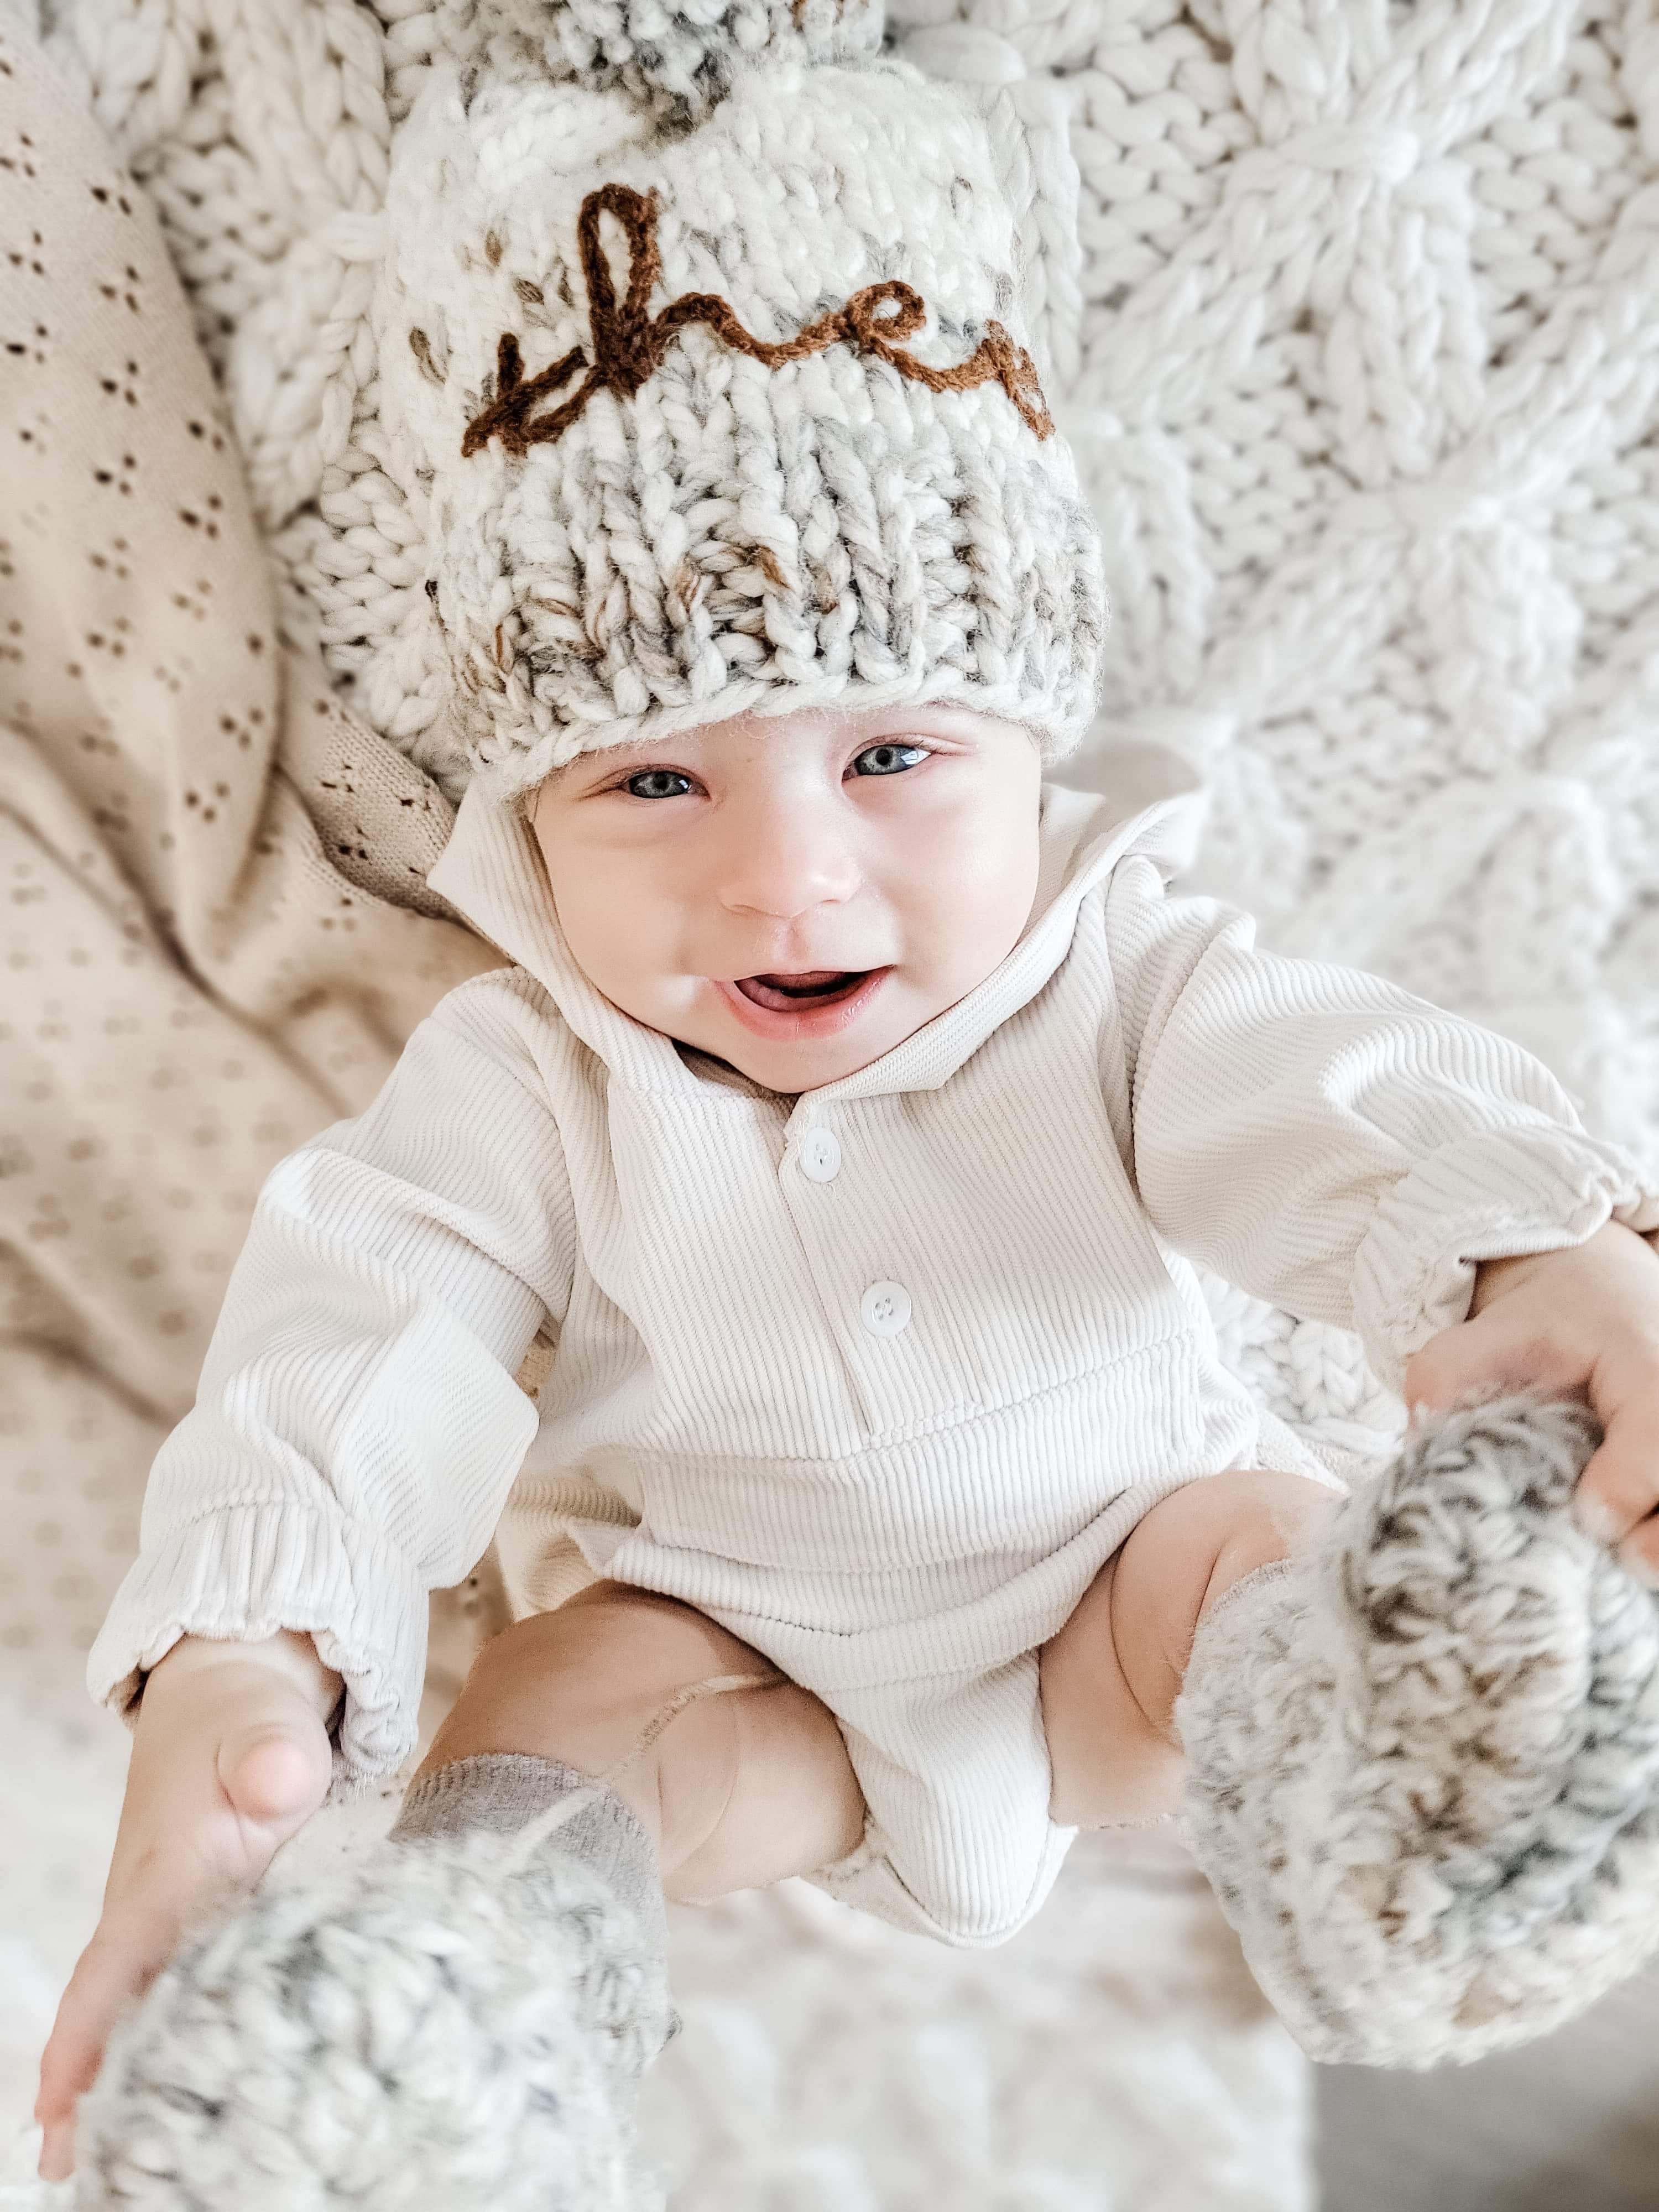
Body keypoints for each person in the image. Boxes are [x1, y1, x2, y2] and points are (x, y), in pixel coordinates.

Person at [35, 0, 1659, 2197]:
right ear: (529, 804)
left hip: (1118, 1596)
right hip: (733, 1655)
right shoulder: (530, 1075)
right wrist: (253, 1651)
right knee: (539, 1728)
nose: (786, 872)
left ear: (1026, 755)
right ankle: (456, 2053)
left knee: (1269, 1555)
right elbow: (362, 1326)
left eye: (892, 756)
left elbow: (1337, 1099)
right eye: (656, 778)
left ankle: (1415, 1795)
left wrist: (1544, 1248)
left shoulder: (1115, 978)